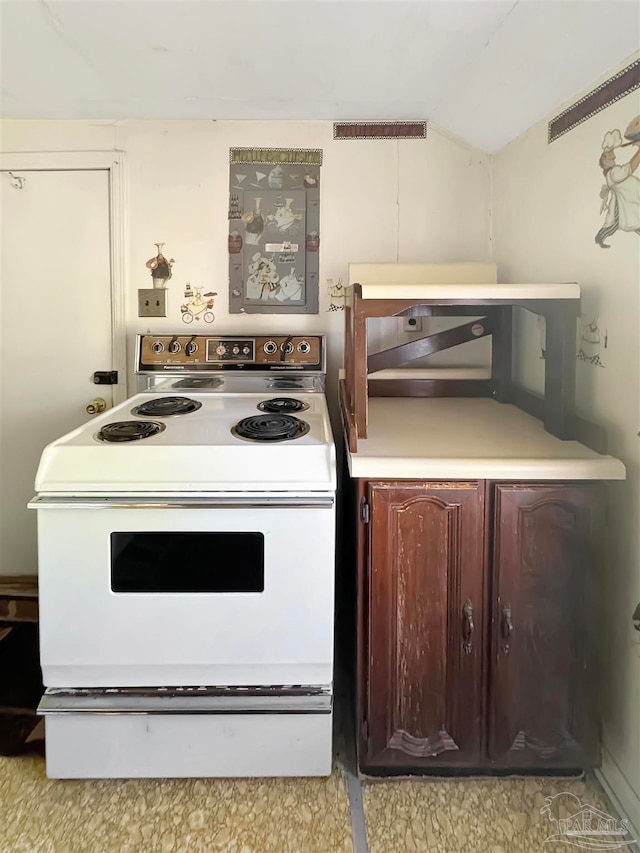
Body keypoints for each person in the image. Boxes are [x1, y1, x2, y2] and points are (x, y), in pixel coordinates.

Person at [595, 132, 640, 248]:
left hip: (629, 202)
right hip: (630, 203)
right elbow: (630, 168)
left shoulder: (612, 172)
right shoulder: (613, 173)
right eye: (608, 153)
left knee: (615, 221)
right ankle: (600, 237)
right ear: (605, 162)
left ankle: (599, 237)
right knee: (621, 221)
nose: (612, 154)